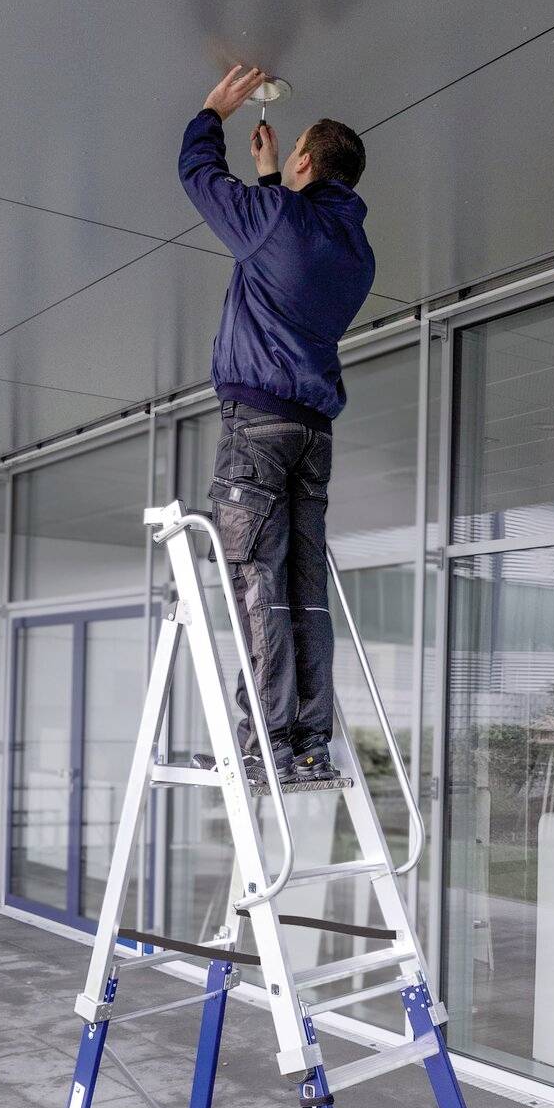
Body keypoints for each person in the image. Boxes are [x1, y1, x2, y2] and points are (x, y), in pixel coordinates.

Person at [179, 66, 375, 786]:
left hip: (258, 427)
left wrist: (212, 112)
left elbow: (199, 176)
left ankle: (264, 744)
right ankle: (308, 742)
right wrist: (270, 178)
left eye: (292, 151)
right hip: (312, 434)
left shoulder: (278, 223)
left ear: (305, 161)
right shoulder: (356, 254)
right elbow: (285, 246)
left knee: (258, 588)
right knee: (302, 590)